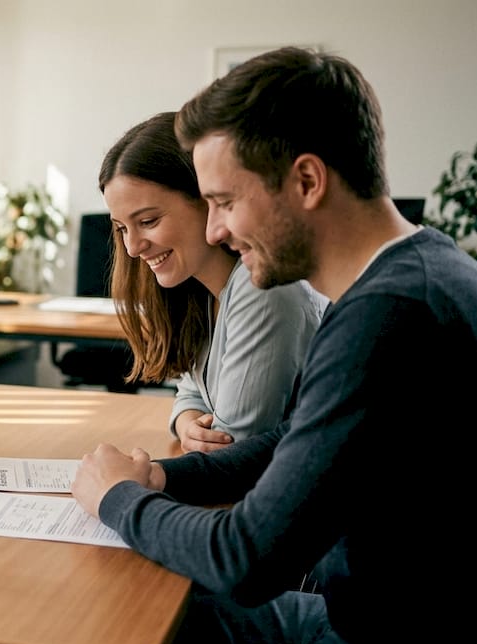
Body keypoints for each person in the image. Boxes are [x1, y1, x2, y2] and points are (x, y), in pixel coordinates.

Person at [73, 46, 477, 644]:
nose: (215, 229)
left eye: (224, 202)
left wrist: (119, 501)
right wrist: (165, 477)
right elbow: (289, 443)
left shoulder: (391, 315)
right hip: (351, 624)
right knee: (88, 641)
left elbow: (244, 558)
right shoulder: (413, 272)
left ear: (305, 182)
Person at [101, 112, 327, 453]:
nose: (132, 248)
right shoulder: (200, 290)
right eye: (121, 228)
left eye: (148, 221)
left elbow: (232, 448)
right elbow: (191, 393)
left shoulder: (262, 288)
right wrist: (188, 423)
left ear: (207, 200)